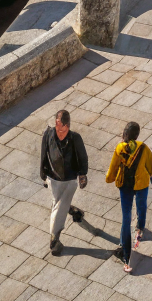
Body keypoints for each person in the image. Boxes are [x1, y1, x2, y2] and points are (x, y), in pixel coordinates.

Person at [105, 121, 152, 272]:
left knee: (126, 217)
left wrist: (109, 178)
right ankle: (140, 228)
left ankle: (125, 249)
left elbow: (113, 167)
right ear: (137, 135)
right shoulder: (143, 147)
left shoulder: (119, 149)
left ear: (125, 134)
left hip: (125, 186)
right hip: (141, 184)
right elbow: (151, 166)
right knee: (141, 206)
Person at [40, 109, 88, 256]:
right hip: (53, 177)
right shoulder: (48, 134)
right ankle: (73, 211)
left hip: (70, 179)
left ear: (68, 126)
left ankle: (54, 239)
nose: (61, 132)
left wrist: (82, 174)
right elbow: (44, 153)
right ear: (56, 123)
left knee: (57, 206)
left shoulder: (75, 138)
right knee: (59, 203)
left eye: (64, 129)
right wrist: (43, 172)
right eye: (58, 127)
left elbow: (83, 157)